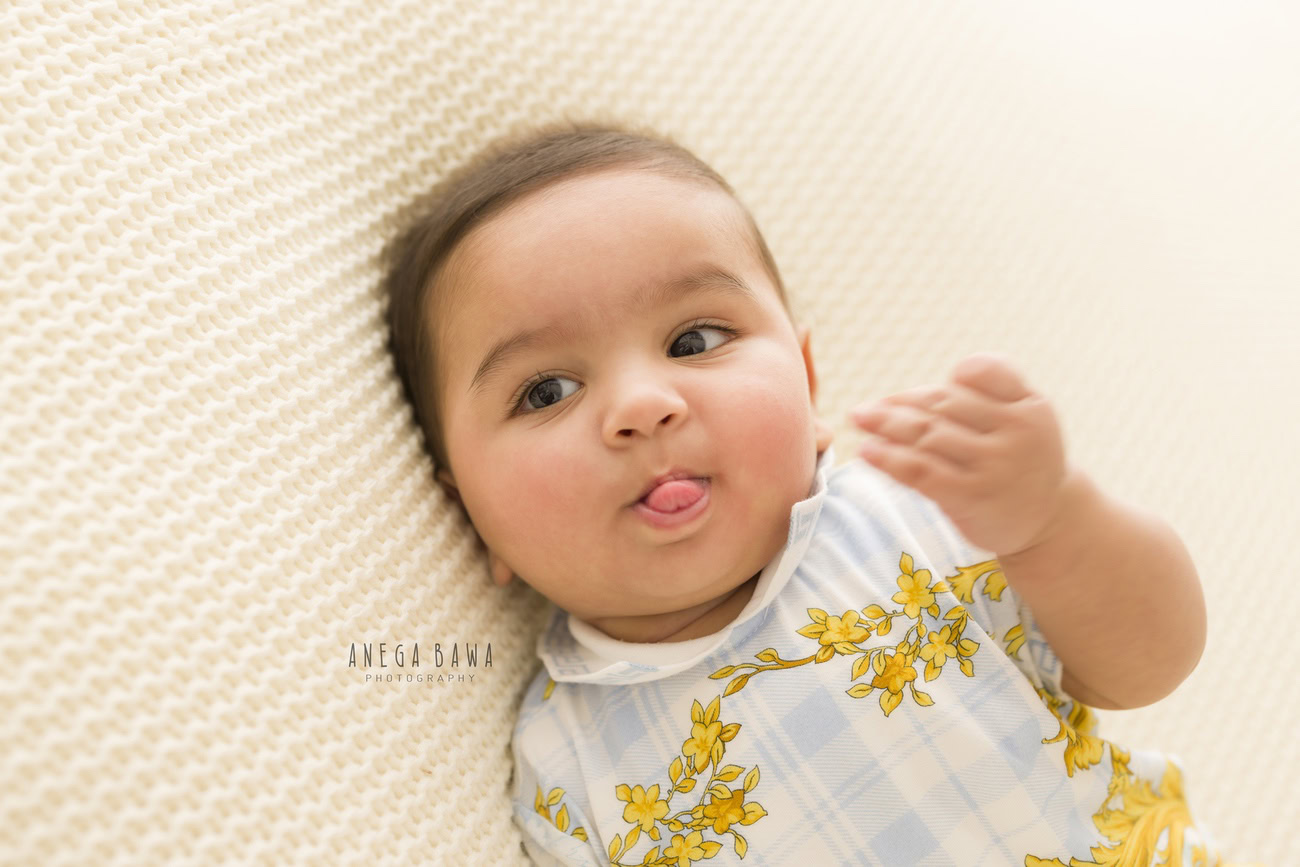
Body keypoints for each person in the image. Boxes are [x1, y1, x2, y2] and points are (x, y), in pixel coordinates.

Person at [382, 119, 1226, 865]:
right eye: (546, 391)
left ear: (809, 384)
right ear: (468, 518)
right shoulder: (564, 761)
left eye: (694, 337)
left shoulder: (914, 524)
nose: (642, 405)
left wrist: (1055, 523)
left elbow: (1152, 660)